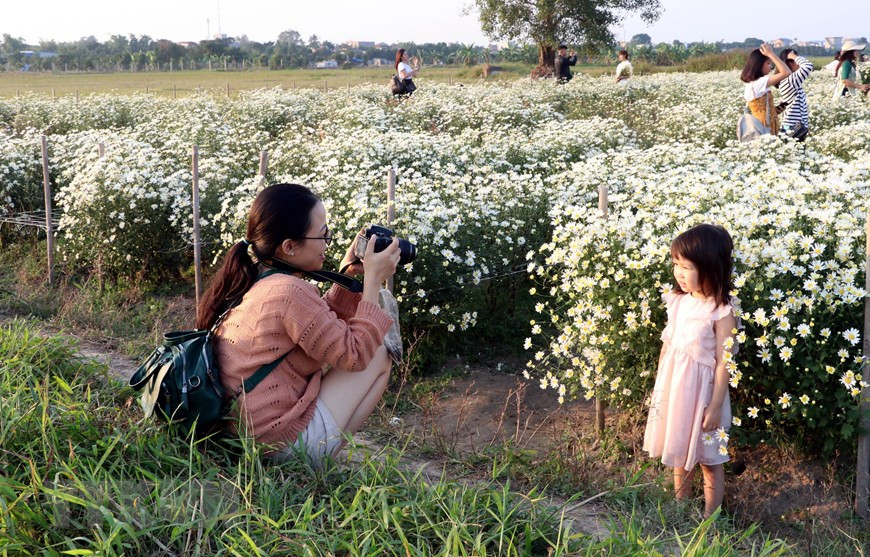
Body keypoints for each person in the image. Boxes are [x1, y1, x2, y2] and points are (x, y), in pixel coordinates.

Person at [197, 183, 401, 468]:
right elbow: (354, 355)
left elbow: (319, 329)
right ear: (290, 246)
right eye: (322, 234)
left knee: (366, 348)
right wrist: (372, 282)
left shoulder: (257, 276)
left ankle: (318, 450)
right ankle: (317, 459)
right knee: (379, 354)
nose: (327, 243)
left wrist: (348, 273)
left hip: (244, 433)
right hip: (277, 442)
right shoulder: (290, 291)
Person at [643, 224, 739, 518]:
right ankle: (679, 508)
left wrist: (715, 405)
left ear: (711, 268)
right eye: (675, 265)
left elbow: (725, 362)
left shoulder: (722, 310)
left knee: (710, 460)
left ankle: (711, 519)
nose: (679, 274)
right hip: (676, 389)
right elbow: (667, 345)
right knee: (678, 452)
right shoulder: (678, 301)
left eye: (687, 267)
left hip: (706, 395)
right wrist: (660, 389)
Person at [740, 43, 792, 135]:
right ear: (759, 65)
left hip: (762, 125)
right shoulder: (759, 82)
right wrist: (771, 54)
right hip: (764, 127)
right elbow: (786, 72)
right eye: (768, 63)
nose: (771, 67)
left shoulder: (753, 83)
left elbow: (760, 109)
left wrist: (775, 110)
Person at [775, 49, 813, 140]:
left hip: (793, 127)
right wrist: (793, 56)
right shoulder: (789, 80)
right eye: (796, 61)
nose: (798, 64)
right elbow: (808, 66)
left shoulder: (789, 80)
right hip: (793, 127)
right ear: (789, 63)